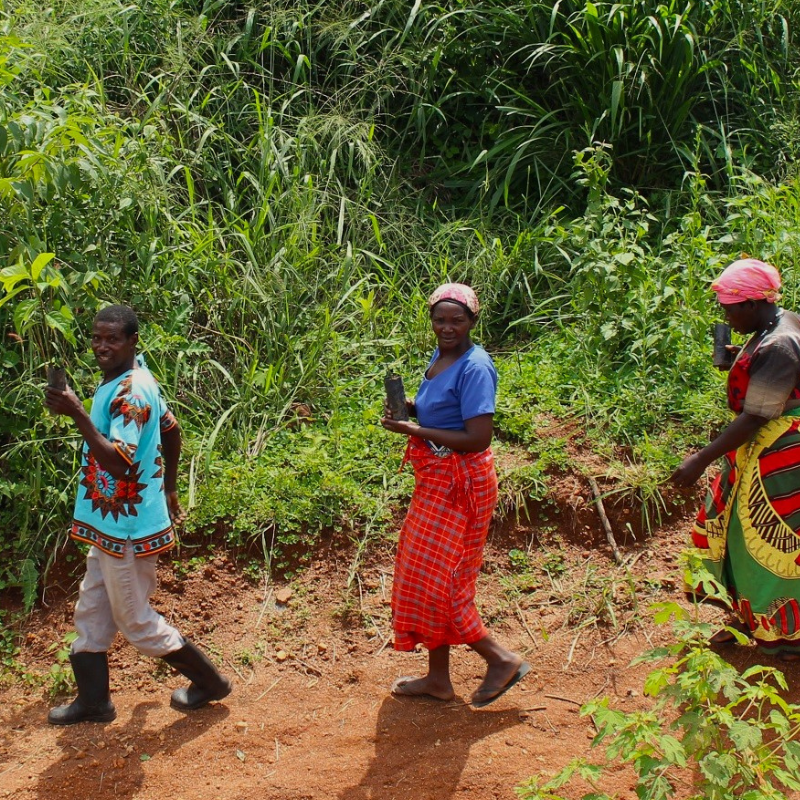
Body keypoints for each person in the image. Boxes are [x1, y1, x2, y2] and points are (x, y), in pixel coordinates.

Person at [44, 305, 231, 724]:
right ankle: (94, 702)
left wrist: (75, 412)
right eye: (97, 338)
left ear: (132, 341)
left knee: (137, 623)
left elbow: (121, 464)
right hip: (110, 523)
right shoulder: (125, 379)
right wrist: (168, 487)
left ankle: (211, 683)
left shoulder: (132, 393)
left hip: (127, 528)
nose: (102, 346)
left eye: (113, 339)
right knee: (91, 612)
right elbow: (170, 427)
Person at [380, 283, 530, 706]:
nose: (447, 327)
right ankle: (439, 680)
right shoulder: (443, 356)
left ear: (472, 322)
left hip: (462, 482)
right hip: (438, 477)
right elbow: (444, 409)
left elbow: (478, 438)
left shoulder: (475, 365)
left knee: (442, 580)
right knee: (421, 575)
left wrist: (414, 430)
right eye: (440, 319)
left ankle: (500, 659)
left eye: (456, 320)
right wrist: (409, 408)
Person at [672, 259, 800, 661]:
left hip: (780, 456)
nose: (726, 316)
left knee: (768, 542)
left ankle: (783, 634)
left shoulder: (779, 344)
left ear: (751, 304)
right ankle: (750, 617)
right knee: (736, 533)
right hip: (761, 449)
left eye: (729, 308)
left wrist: (700, 459)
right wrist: (742, 361)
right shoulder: (776, 326)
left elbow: (756, 414)